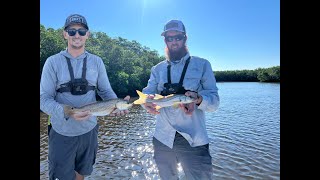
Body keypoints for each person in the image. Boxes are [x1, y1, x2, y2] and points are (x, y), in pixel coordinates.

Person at [40, 14, 129, 180]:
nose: (77, 35)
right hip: (61, 131)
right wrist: (68, 112)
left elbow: (106, 92)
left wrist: (116, 104)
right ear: (65, 34)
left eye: (81, 31)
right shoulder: (52, 62)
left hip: (89, 130)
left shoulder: (97, 61)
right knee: (61, 176)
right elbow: (43, 99)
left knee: (82, 173)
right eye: (72, 31)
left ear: (88, 34)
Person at [141, 19, 220, 179]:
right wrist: (146, 102)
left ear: (185, 38)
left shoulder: (203, 65)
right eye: (169, 38)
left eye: (178, 37)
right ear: (165, 40)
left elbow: (214, 103)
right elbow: (147, 93)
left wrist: (198, 99)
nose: (174, 41)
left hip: (194, 140)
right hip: (162, 138)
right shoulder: (157, 69)